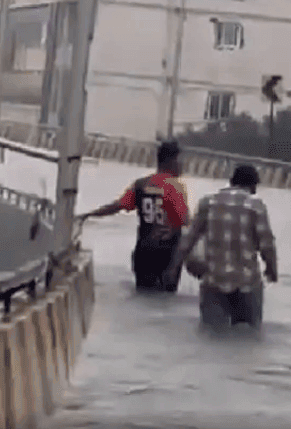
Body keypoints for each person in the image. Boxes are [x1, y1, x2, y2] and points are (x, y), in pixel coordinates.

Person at [169, 164, 277, 330]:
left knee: (211, 335)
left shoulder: (208, 202)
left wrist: (174, 265)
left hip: (213, 282)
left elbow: (188, 240)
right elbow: (266, 244)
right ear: (253, 185)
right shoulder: (256, 206)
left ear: (231, 181)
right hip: (247, 284)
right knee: (247, 338)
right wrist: (271, 270)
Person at [79, 140, 190, 293]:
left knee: (143, 295)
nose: (182, 165)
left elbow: (117, 206)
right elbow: (184, 221)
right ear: (171, 161)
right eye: (180, 160)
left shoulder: (141, 184)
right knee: (163, 302)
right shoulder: (175, 188)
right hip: (167, 257)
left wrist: (90, 214)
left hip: (143, 253)